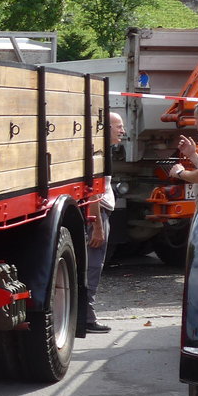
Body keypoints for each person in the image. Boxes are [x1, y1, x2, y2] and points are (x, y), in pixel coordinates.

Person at [85, 111, 126, 334]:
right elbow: (93, 193)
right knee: (93, 266)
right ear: (105, 128)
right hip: (97, 217)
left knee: (93, 266)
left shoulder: (102, 151)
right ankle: (86, 318)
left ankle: (85, 315)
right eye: (118, 126)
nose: (123, 130)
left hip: (100, 215)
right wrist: (98, 226)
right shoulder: (98, 154)